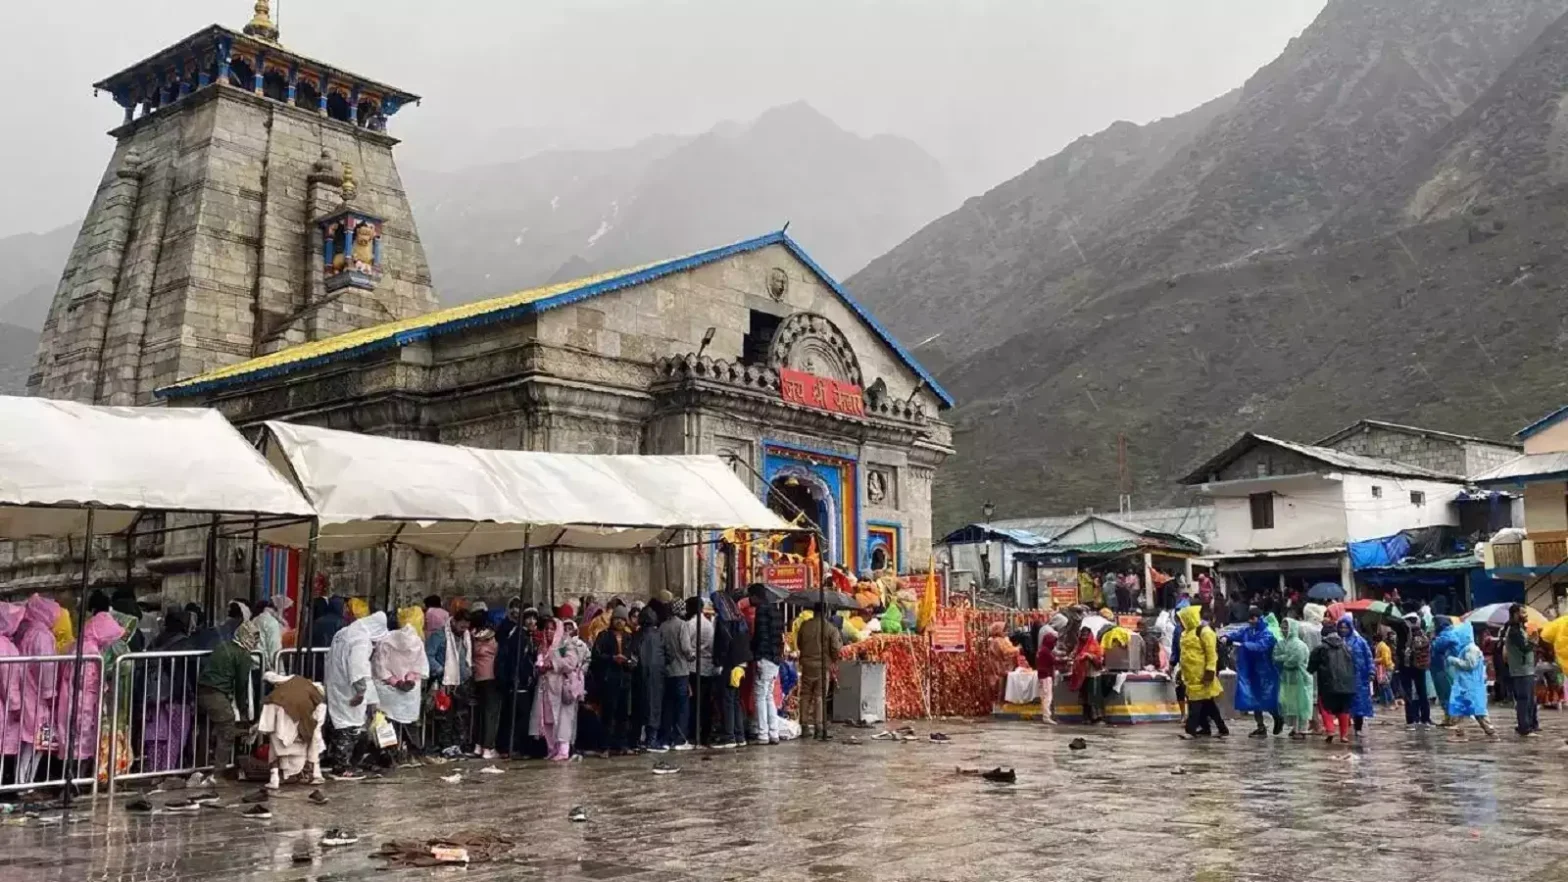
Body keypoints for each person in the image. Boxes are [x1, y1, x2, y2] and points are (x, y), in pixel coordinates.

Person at [323, 611, 389, 777]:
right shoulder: (361, 640)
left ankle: (338, 761)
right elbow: (358, 667)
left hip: (336, 683)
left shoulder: (343, 633)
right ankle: (342, 766)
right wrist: (360, 692)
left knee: (339, 724)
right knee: (349, 727)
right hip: (349, 688)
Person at [196, 617, 260, 773]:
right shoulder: (243, 655)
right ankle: (218, 773)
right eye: (254, 637)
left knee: (208, 729)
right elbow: (241, 686)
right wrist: (243, 711)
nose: (256, 642)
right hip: (216, 694)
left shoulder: (223, 646)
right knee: (227, 731)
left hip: (203, 692)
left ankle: (200, 766)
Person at [371, 620, 428, 763]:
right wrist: (410, 678)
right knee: (410, 722)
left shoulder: (385, 641)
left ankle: (388, 753)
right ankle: (412, 752)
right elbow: (420, 666)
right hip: (409, 690)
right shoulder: (417, 643)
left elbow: (379, 667)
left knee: (385, 721)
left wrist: (395, 681)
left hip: (388, 688)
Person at [532, 619, 589, 761]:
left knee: (563, 719)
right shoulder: (543, 646)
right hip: (546, 687)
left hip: (561, 687)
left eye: (552, 629)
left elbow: (572, 662)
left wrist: (553, 664)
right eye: (546, 629)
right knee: (548, 719)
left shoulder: (565, 643)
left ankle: (564, 750)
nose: (548, 631)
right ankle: (552, 748)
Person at [258, 671, 325, 789]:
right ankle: (316, 773)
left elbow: (267, 726)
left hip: (278, 711)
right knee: (314, 740)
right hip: (295, 718)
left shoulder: (281, 690)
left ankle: (274, 779)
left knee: (274, 745)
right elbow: (317, 724)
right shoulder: (313, 693)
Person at [1437, 620, 1497, 739]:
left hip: (1470, 685)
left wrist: (1453, 660)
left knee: (1477, 711)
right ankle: (1461, 734)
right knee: (1461, 710)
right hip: (1466, 684)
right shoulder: (1466, 648)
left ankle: (1491, 732)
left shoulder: (1471, 649)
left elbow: (1470, 664)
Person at [425, 606, 472, 754]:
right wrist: (440, 671)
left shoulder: (465, 636)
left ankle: (458, 745)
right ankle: (445, 746)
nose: (463, 629)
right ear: (454, 622)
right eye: (461, 625)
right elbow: (429, 656)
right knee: (445, 716)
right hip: (443, 682)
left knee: (461, 715)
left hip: (462, 682)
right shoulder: (439, 636)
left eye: (466, 627)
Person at [590, 606, 637, 754]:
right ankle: (605, 746)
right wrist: (612, 659)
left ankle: (621, 744)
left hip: (624, 680)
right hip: (609, 680)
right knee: (608, 714)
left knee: (623, 714)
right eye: (617, 619)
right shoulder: (604, 636)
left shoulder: (629, 637)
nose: (619, 622)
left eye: (622, 619)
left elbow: (634, 655)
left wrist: (630, 662)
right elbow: (596, 657)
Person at [1176, 604, 1226, 738]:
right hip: (1190, 675)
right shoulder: (1185, 633)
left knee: (1195, 704)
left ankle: (1190, 730)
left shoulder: (1205, 632)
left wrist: (1210, 671)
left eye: (1182, 619)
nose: (1181, 622)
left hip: (1202, 675)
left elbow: (1211, 653)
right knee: (1208, 704)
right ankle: (1218, 728)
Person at [795, 602, 843, 739]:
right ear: (826, 612)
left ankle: (804, 726)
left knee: (805, 695)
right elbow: (836, 648)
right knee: (819, 696)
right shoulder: (830, 628)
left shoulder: (805, 625)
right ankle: (819, 727)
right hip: (822, 667)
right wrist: (833, 657)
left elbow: (799, 643)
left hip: (807, 665)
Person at [711, 589, 752, 748]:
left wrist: (718, 663)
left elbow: (722, 646)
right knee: (735, 700)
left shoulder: (724, 621)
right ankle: (739, 735)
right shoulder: (739, 618)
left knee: (728, 699)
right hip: (741, 664)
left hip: (729, 664)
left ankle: (729, 736)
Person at [1233, 607, 1281, 737]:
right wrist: (1227, 637)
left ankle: (1277, 717)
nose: (1250, 621)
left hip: (1265, 672)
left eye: (1252, 618)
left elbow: (1261, 646)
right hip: (1251, 671)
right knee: (1253, 700)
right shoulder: (1248, 631)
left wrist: (1245, 645)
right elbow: (1236, 634)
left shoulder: (1267, 633)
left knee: (1266, 699)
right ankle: (1261, 727)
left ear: (1259, 618)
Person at [1308, 619, 1357, 744]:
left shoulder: (1320, 648)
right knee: (1343, 709)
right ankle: (1344, 735)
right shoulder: (1347, 647)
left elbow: (1311, 667)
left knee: (1325, 707)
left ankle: (1330, 730)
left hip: (1327, 684)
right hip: (1347, 685)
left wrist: (1311, 670)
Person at [749, 583, 785, 745]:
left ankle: (763, 734)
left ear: (756, 596)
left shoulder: (762, 611)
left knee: (760, 696)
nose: (749, 600)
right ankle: (774, 732)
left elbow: (761, 636)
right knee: (768, 695)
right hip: (775, 659)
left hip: (765, 657)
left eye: (751, 597)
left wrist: (757, 657)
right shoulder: (777, 611)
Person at [659, 599, 695, 751]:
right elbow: (686, 648)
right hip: (681, 671)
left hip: (667, 672)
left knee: (668, 706)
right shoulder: (682, 625)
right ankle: (680, 739)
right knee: (682, 706)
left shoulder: (662, 626)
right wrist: (692, 656)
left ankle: (666, 738)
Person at [632, 605, 666, 751]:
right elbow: (667, 654)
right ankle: (651, 739)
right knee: (654, 706)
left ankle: (638, 738)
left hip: (639, 676)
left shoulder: (637, 636)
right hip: (656, 676)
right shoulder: (658, 635)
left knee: (640, 706)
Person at [1272, 619, 1313, 739]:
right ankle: (1295, 728)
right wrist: (1285, 658)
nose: (1284, 630)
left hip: (1301, 678)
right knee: (1291, 704)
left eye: (1286, 628)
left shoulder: (1299, 644)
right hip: (1288, 678)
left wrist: (1284, 660)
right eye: (1282, 627)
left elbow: (1295, 660)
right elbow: (1275, 656)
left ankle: (1301, 729)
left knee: (1302, 704)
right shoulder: (1282, 643)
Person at [470, 610, 502, 759]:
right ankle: (488, 747)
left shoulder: (472, 637)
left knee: (480, 713)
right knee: (491, 713)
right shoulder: (491, 637)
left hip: (477, 677)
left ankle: (478, 745)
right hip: (491, 677)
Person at [1503, 604, 1539, 737]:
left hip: (1527, 669)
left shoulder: (1520, 629)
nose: (1526, 615)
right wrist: (1534, 641)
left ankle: (1531, 724)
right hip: (1521, 670)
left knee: (1531, 700)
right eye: (1523, 613)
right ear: (1515, 614)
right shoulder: (1513, 631)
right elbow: (1524, 648)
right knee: (1524, 699)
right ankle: (1524, 728)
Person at [1337, 615, 1375, 736]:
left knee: (1359, 703)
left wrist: (1371, 671)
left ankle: (1358, 728)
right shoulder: (1336, 641)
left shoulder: (1360, 642)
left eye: (1345, 627)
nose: (1343, 630)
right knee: (1344, 704)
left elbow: (1368, 657)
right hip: (1342, 677)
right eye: (1341, 627)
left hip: (1359, 677)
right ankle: (1344, 728)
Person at [1399, 613, 1432, 727]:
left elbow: (1398, 651)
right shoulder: (1421, 632)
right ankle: (1425, 718)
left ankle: (1412, 719)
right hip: (1420, 666)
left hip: (1406, 667)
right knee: (1422, 692)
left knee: (1409, 693)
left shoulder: (1402, 633)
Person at [1068, 626, 1104, 724]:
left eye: (1086, 635)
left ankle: (1096, 717)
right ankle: (1086, 717)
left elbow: (1100, 659)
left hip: (1093, 674)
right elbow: (1073, 655)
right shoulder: (1078, 645)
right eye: (1082, 634)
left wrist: (1089, 656)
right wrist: (1071, 659)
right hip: (1082, 675)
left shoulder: (1094, 645)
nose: (1084, 637)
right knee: (1085, 697)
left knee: (1093, 696)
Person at [1035, 624, 1059, 725]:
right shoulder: (1045, 651)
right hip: (1046, 676)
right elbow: (1054, 661)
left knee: (1044, 696)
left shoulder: (1042, 650)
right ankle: (1046, 716)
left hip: (1042, 675)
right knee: (1047, 696)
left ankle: (1046, 715)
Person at [252, 599, 284, 672]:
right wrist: (281, 672)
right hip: (265, 668)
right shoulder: (272, 622)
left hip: (253, 666)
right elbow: (275, 649)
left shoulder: (254, 620)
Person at [1373, 632, 1395, 707]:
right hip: (1383, 668)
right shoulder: (1380, 646)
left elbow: (1385, 659)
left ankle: (1392, 702)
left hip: (1386, 668)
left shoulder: (1382, 647)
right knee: (1382, 685)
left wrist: (1376, 660)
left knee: (1386, 685)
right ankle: (1385, 702)